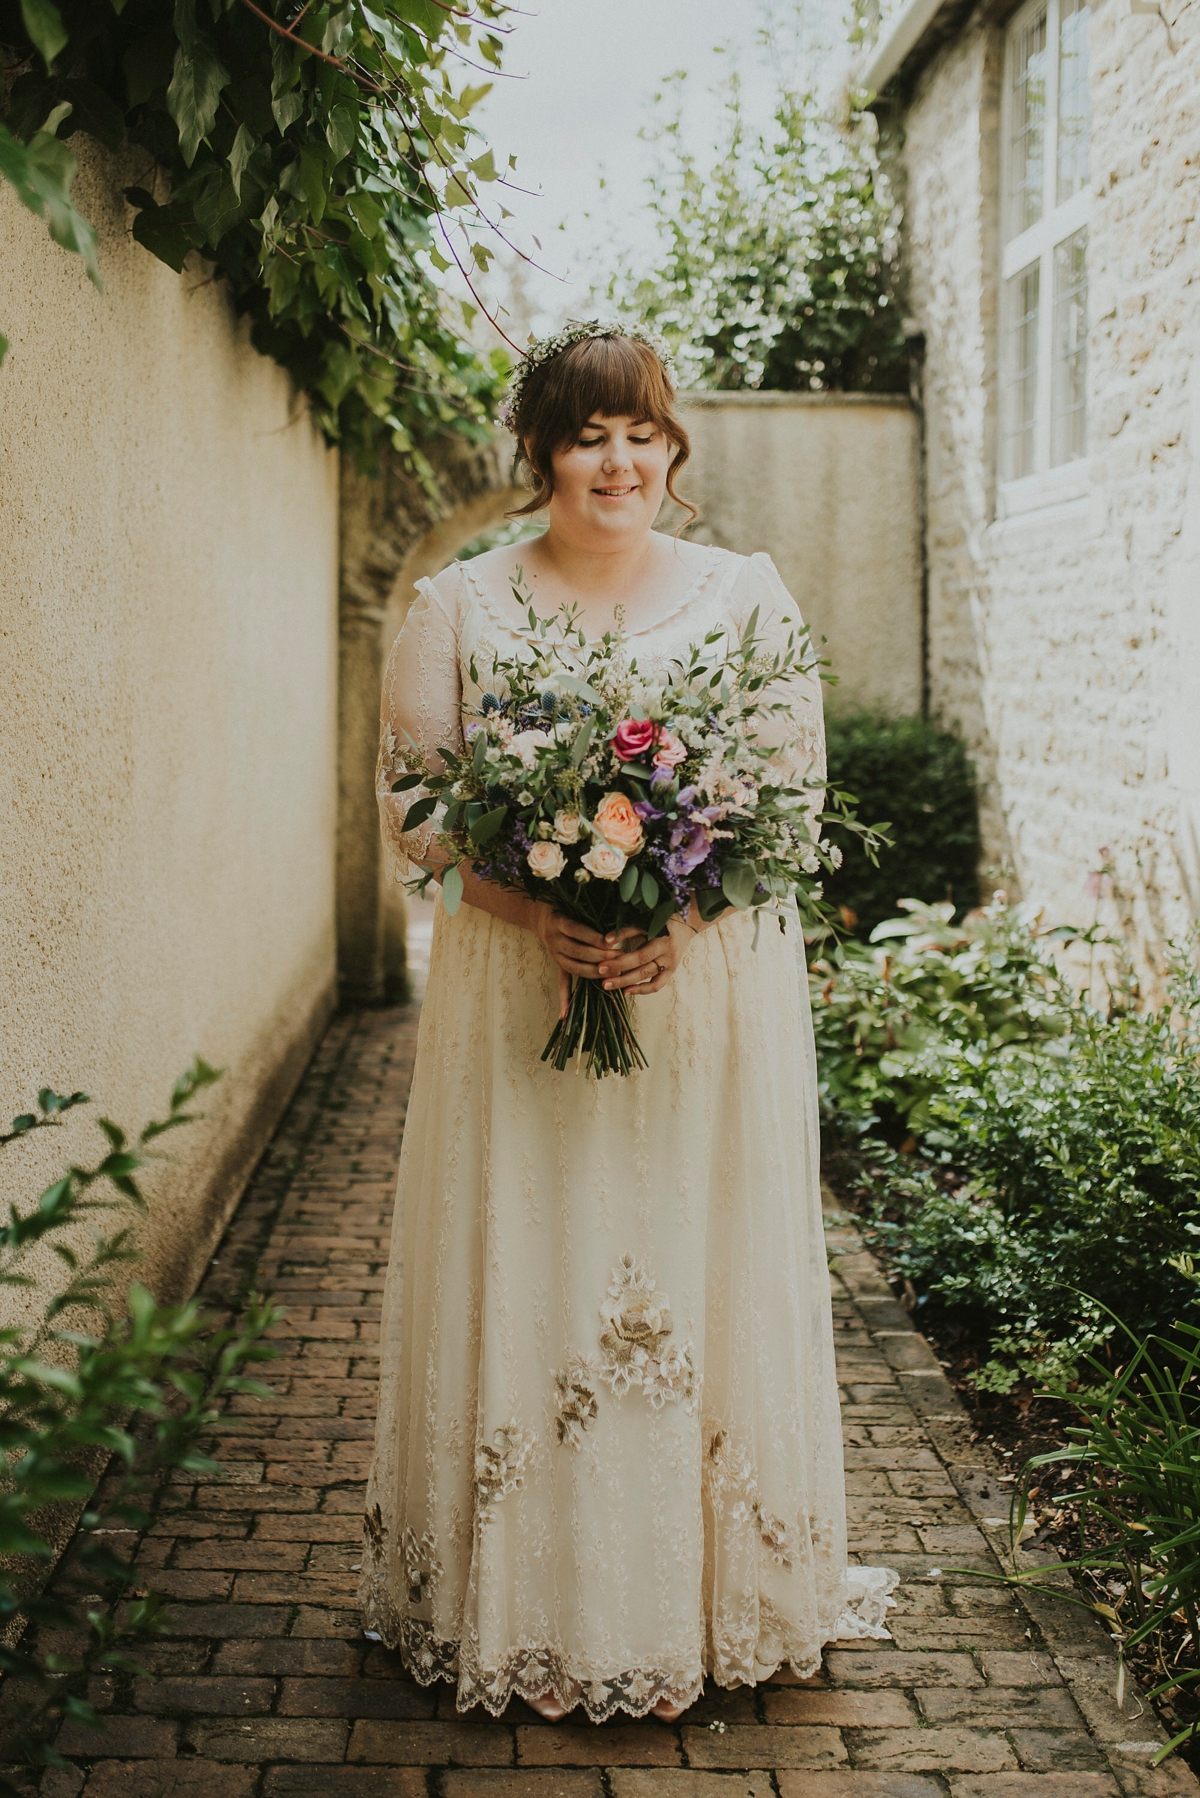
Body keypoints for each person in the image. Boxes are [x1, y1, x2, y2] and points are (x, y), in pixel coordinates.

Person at [360, 321, 895, 1725]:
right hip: (519, 990)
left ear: (674, 450)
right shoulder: (458, 605)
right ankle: (526, 1591)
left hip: (699, 996)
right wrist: (546, 913)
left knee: (687, 1244)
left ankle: (709, 1588)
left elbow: (788, 802)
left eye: (642, 432)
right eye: (587, 433)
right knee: (535, 1236)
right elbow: (416, 823)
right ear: (538, 450)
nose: (617, 459)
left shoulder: (745, 597)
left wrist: (678, 920)